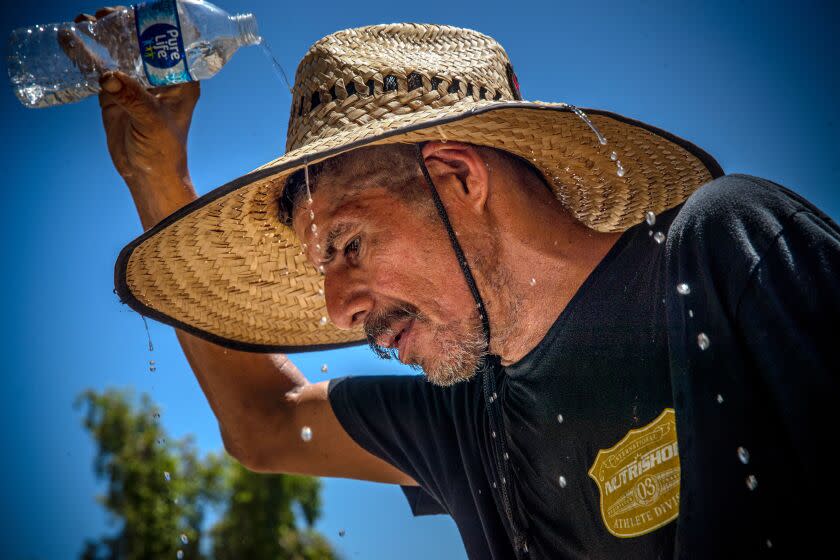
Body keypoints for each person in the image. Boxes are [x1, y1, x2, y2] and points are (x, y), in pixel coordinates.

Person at [80, 9, 838, 559]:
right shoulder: (470, 421)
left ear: (456, 178)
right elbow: (263, 422)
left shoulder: (722, 255)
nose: (339, 309)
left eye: (346, 245)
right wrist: (154, 173)